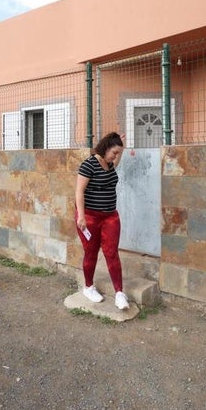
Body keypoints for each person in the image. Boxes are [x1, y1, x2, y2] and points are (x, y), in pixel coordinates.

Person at [74, 131, 129, 310]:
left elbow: (116, 160)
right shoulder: (88, 165)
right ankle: (88, 287)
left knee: (111, 253)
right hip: (89, 217)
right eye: (114, 152)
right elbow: (79, 192)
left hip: (110, 217)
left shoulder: (110, 164)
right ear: (105, 149)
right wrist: (81, 216)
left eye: (118, 153)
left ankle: (120, 293)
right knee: (91, 252)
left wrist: (122, 147)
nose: (116, 156)